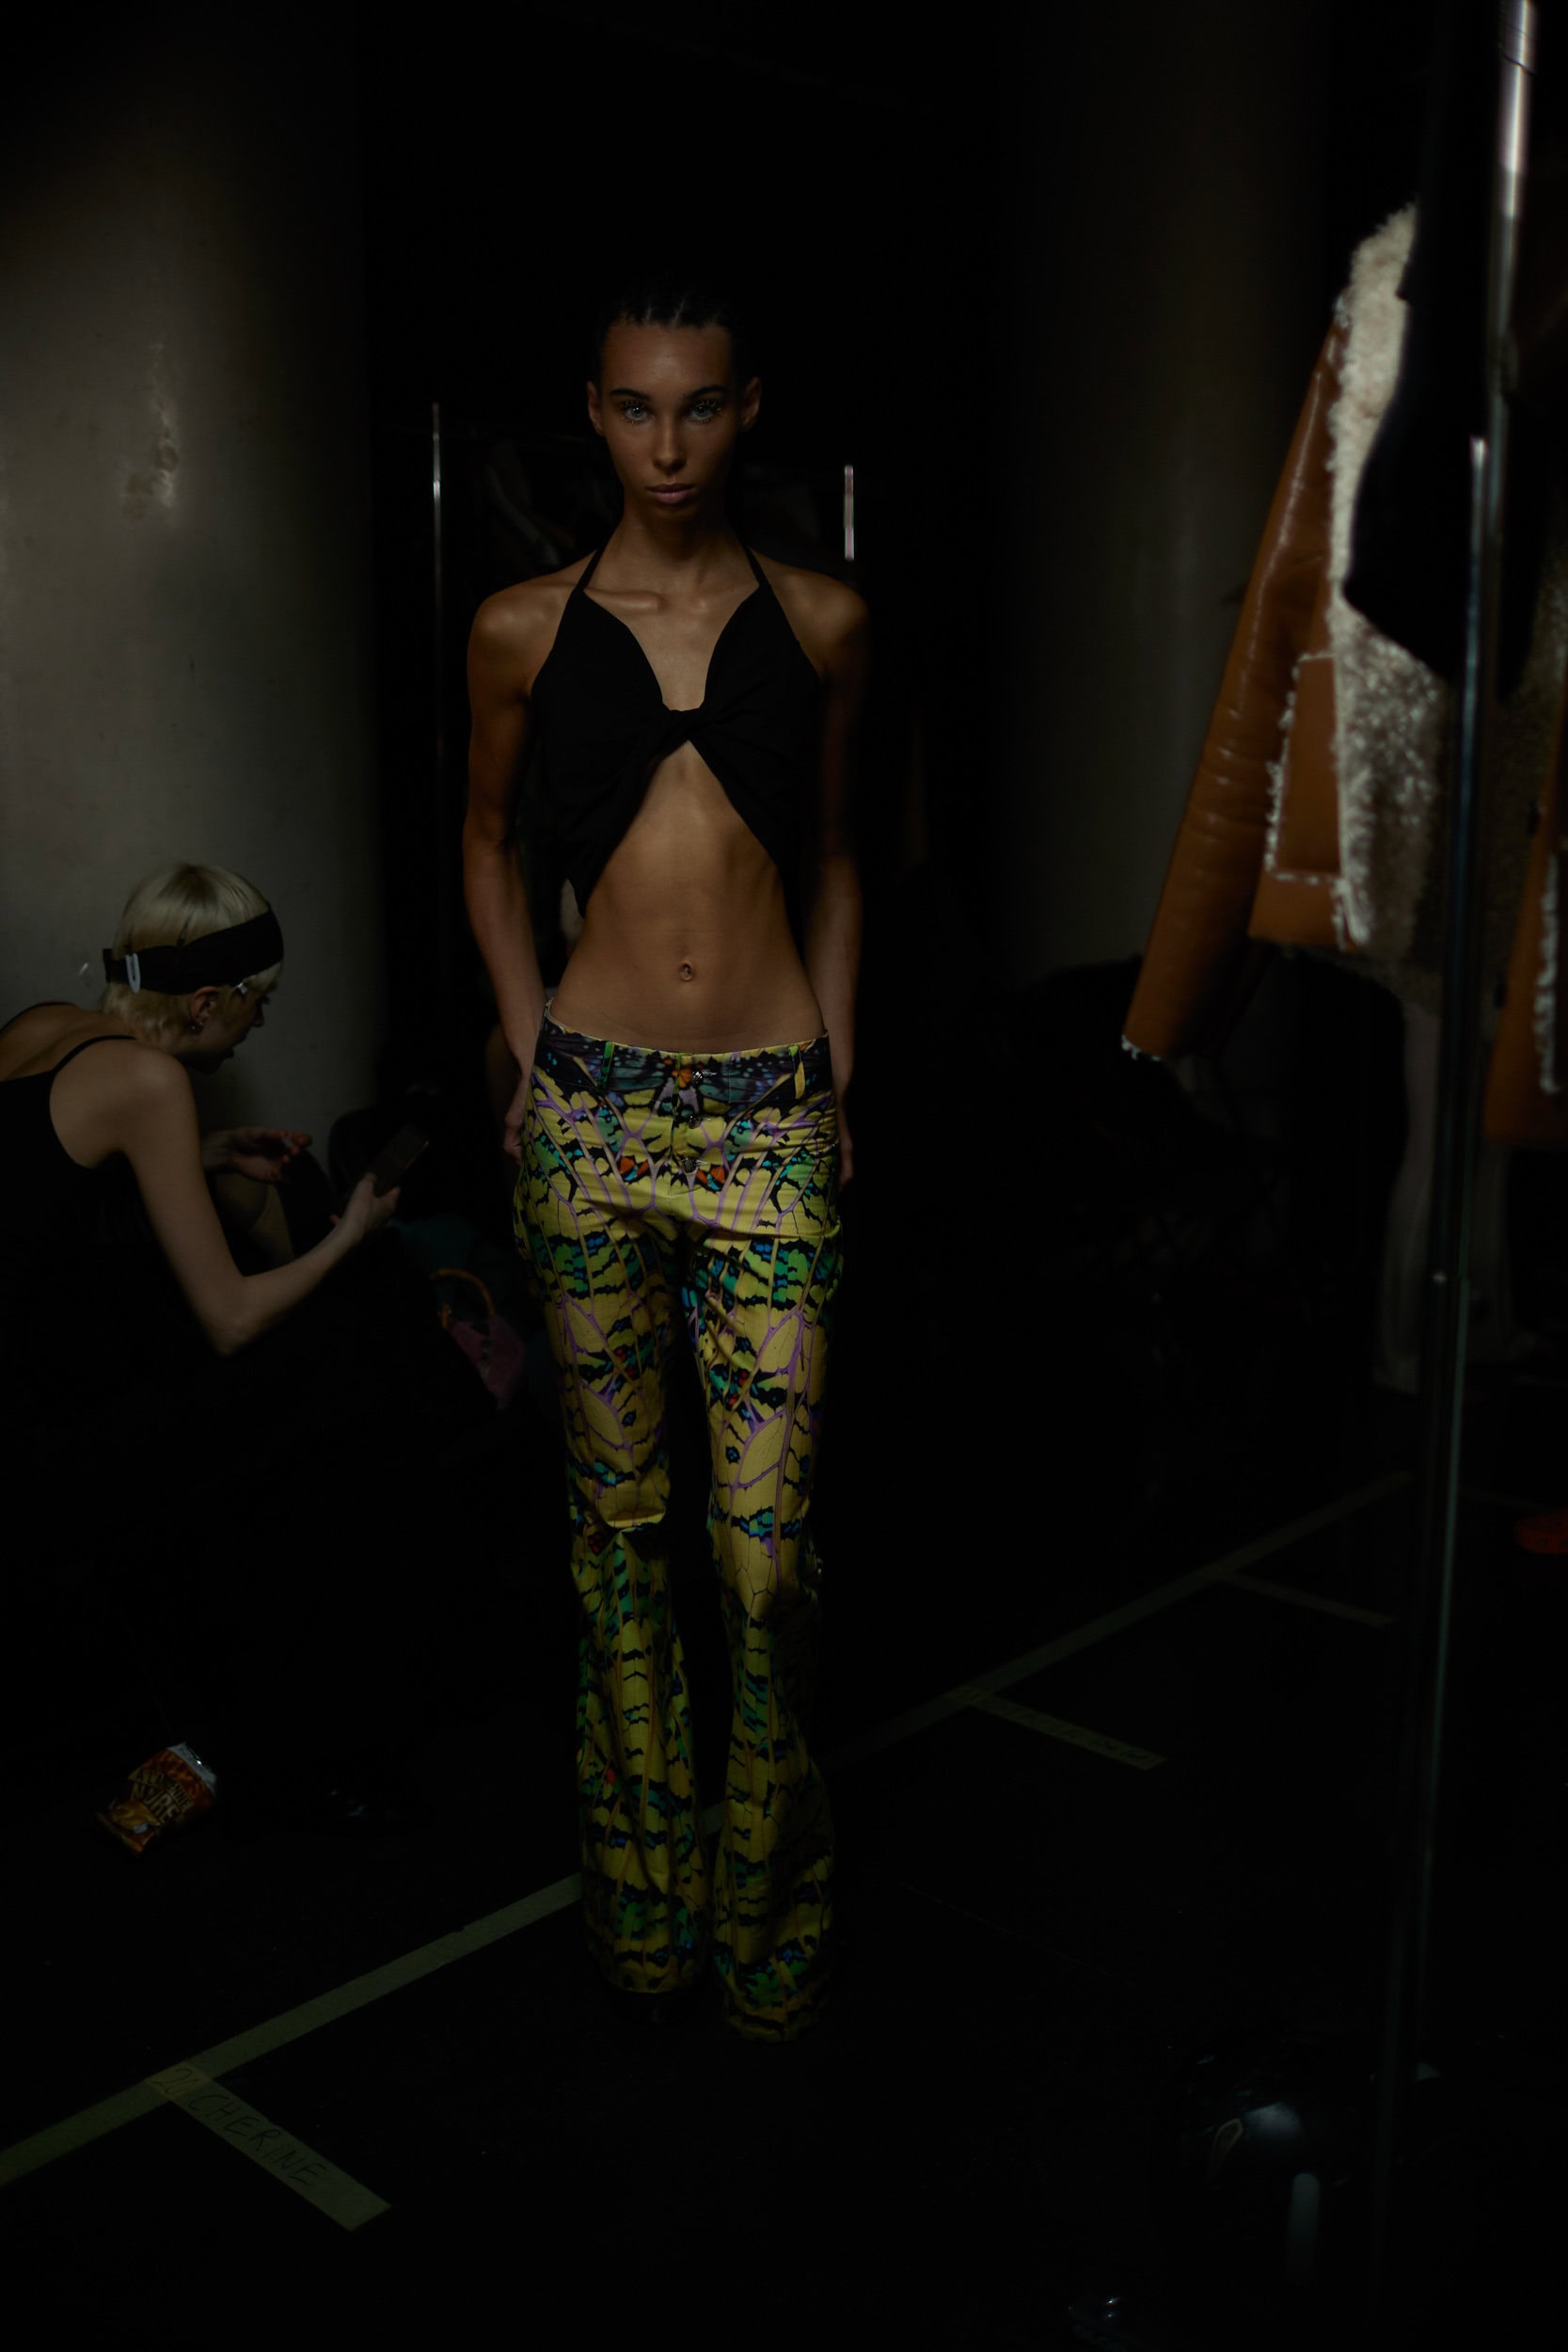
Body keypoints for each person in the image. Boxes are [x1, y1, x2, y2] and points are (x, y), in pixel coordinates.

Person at [464, 277, 866, 2038]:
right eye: (635, 408)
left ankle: (769, 1896)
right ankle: (642, 1897)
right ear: (595, 413)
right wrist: (529, 1048)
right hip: (594, 1116)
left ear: (747, 407)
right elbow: (483, 841)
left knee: (762, 1558)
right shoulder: (521, 627)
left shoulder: (826, 620)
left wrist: (835, 1078)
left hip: (768, 1110)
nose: (668, 444)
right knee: (619, 1531)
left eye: (698, 406)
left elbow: (836, 858)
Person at [0, 861, 423, 1830]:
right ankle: (319, 1745)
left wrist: (201, 1156)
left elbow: (42, 1175)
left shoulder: (39, 1028)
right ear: (204, 1003)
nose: (257, 1025)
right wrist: (349, 1234)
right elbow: (230, 1317)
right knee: (350, 1353)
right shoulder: (150, 1082)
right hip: (41, 1453)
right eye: (255, 1005)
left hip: (32, 1390)